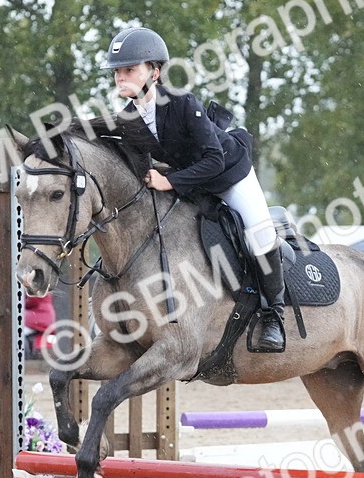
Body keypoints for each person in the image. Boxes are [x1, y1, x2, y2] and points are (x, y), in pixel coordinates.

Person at [104, 26, 286, 351]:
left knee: (259, 234)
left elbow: (214, 160)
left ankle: (274, 315)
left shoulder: (183, 103)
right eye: (118, 71)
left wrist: (169, 180)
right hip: (191, 185)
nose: (121, 77)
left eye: (129, 69)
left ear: (155, 72)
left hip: (229, 175)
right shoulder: (128, 117)